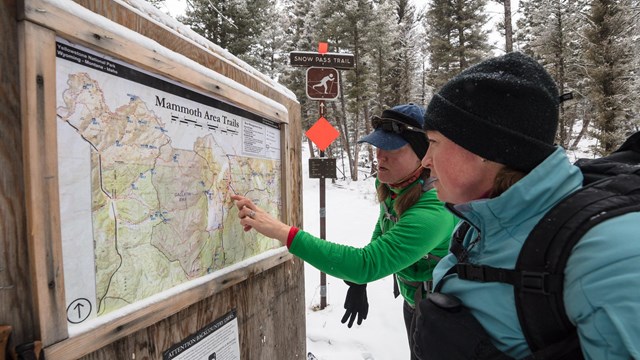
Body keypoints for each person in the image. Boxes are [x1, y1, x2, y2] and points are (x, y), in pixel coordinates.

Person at [417, 52, 640, 358]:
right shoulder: (483, 216)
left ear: (484, 150)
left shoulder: (604, 255)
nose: (425, 160)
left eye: (433, 142)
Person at [232, 104, 458, 358]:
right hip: (414, 301)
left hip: (443, 313)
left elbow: (365, 264)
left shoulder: (434, 211)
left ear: (422, 155)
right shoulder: (394, 184)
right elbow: (385, 224)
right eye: (378, 145)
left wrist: (283, 232)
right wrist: (361, 284)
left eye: (392, 148)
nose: (379, 155)